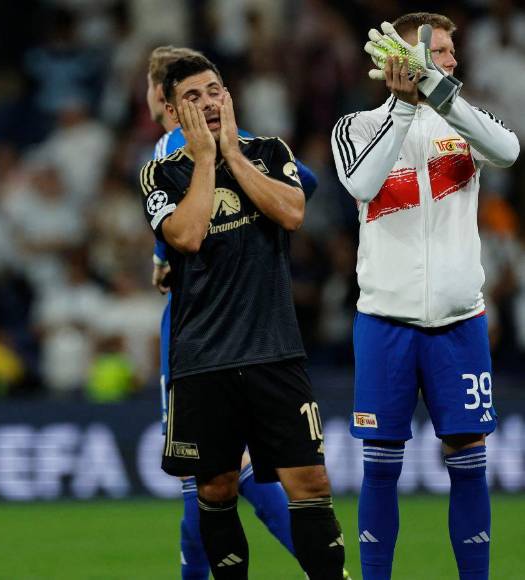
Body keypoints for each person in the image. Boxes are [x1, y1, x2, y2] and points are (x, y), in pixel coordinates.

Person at [139, 54, 347, 580]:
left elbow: (293, 211)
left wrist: (231, 152)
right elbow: (184, 235)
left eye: (215, 90)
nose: (208, 101)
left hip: (275, 350)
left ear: (228, 96)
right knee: (215, 488)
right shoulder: (161, 170)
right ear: (172, 109)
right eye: (194, 96)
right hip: (203, 359)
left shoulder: (270, 151)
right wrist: (207, 160)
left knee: (311, 482)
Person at [331, 12, 519, 580]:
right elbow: (361, 186)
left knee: (469, 464)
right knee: (381, 468)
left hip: (461, 322)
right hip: (386, 321)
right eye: (441, 51)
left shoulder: (463, 122)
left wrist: (438, 93)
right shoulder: (356, 126)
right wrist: (406, 106)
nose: (454, 61)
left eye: (452, 51)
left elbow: (508, 149)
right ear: (404, 57)